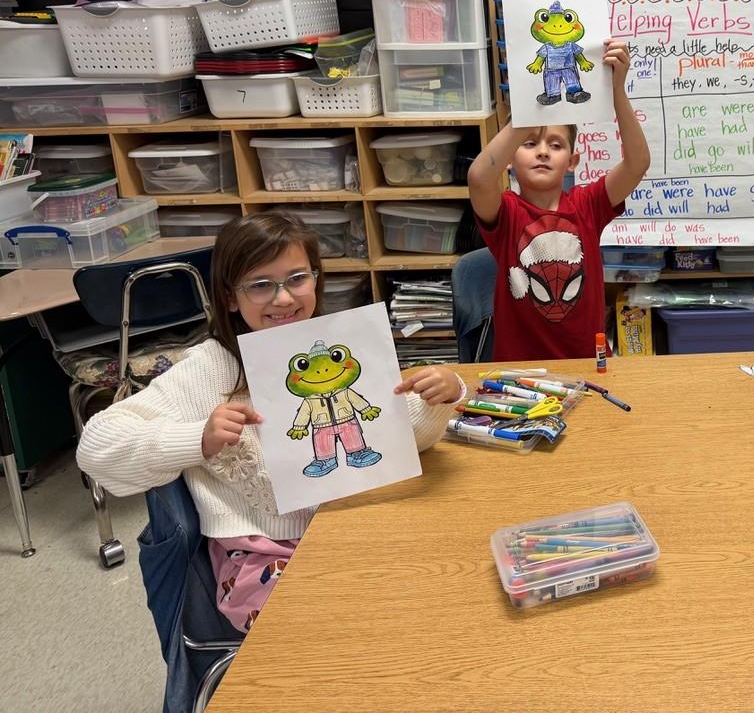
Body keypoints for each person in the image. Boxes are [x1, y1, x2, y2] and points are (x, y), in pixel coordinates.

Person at [76, 214, 466, 632]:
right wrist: (197, 439)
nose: (283, 298)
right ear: (229, 297)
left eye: (297, 278)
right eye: (260, 285)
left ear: (316, 280)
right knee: (348, 625)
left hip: (353, 528)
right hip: (262, 554)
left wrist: (443, 395)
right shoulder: (208, 369)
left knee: (445, 581)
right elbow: (95, 447)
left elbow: (405, 440)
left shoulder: (339, 350)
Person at [468, 39, 649, 360]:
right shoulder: (506, 212)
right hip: (519, 372)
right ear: (509, 157)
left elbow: (637, 164)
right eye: (529, 143)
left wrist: (617, 90)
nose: (541, 151)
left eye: (555, 145)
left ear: (572, 161)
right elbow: (479, 177)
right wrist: (523, 115)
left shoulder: (587, 205)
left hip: (588, 363)